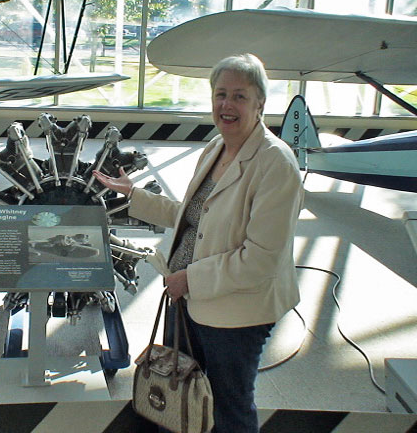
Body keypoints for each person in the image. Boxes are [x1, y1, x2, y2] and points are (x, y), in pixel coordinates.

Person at [93, 53, 304, 433]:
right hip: (188, 300)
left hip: (236, 312)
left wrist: (189, 278)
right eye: (220, 94)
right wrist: (134, 195)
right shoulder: (215, 148)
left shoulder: (276, 164)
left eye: (239, 96)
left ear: (260, 103)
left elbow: (261, 259)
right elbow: (195, 217)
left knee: (228, 406)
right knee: (179, 396)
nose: (226, 105)